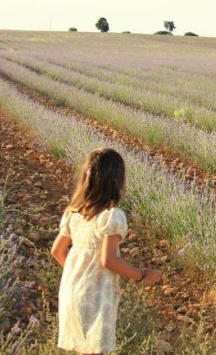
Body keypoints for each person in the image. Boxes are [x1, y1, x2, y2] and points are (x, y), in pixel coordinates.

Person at [51, 147, 162, 354]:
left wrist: (79, 275)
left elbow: (57, 251)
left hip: (70, 292)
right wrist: (143, 275)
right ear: (117, 182)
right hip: (96, 295)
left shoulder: (73, 213)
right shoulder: (112, 216)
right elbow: (108, 261)